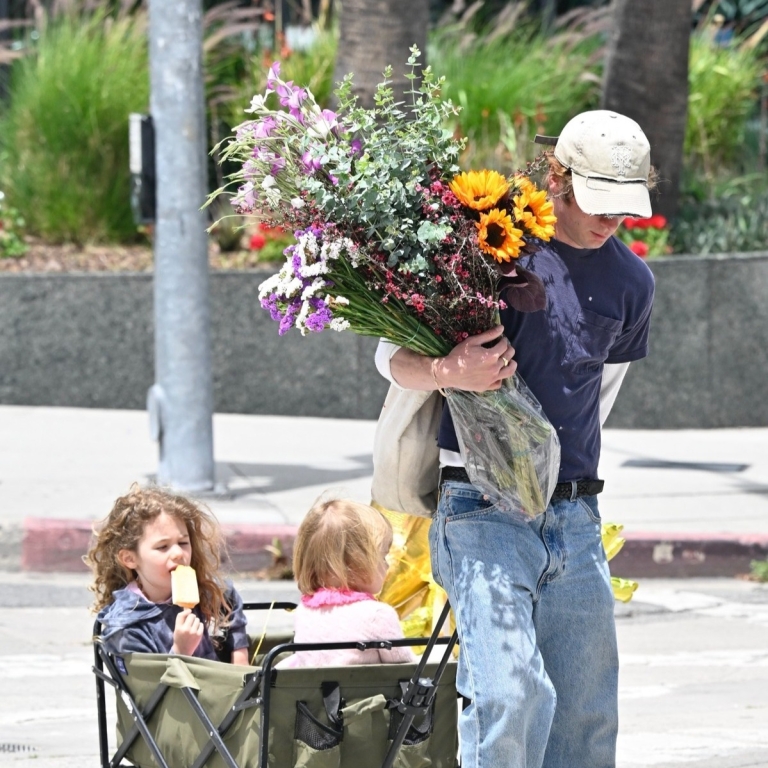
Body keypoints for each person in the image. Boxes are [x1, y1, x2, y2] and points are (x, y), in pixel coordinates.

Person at [374, 110, 656, 768]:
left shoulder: (633, 284)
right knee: (509, 695)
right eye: (598, 201)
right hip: (479, 506)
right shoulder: (484, 249)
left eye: (626, 203)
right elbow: (390, 355)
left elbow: (599, 393)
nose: (611, 219)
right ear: (557, 176)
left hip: (573, 512)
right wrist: (452, 372)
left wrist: (560, 473)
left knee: (587, 717)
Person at [86, 486, 250, 665]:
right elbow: (149, 691)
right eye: (162, 547)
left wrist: (240, 659)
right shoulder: (127, 624)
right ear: (130, 559)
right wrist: (180, 651)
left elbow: (229, 597)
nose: (178, 553)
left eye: (183, 542)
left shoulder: (206, 592)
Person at [278, 497, 417, 668]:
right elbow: (404, 666)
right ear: (356, 563)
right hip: (368, 693)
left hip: (312, 694)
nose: (387, 564)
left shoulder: (304, 611)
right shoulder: (378, 615)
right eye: (382, 556)